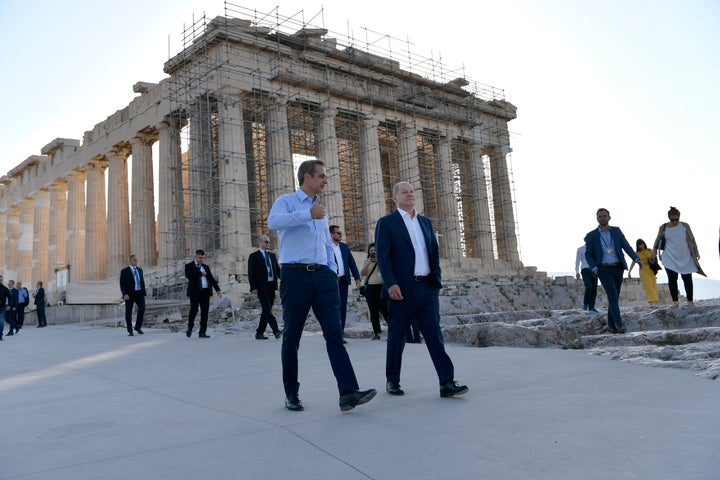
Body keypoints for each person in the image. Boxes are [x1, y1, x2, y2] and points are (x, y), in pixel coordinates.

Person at [268, 159, 376, 412]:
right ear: (307, 177)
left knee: (334, 334)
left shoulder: (321, 208)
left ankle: (348, 392)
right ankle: (292, 394)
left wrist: (331, 270)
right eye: (322, 176)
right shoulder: (287, 201)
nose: (326, 180)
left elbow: (325, 244)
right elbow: (273, 222)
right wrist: (308, 214)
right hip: (295, 275)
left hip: (323, 277)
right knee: (292, 337)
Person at [375, 181, 468, 398]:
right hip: (402, 289)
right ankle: (393, 380)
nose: (410, 195)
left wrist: (436, 280)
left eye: (412, 192)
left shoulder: (425, 222)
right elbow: (382, 256)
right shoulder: (387, 223)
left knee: (435, 336)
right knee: (397, 337)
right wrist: (391, 283)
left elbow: (432, 252)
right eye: (404, 192)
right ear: (394, 197)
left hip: (427, 287)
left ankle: (447, 382)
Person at [585, 208, 641, 334]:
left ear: (609, 217)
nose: (602, 218)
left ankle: (611, 325)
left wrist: (636, 258)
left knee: (614, 297)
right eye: (600, 216)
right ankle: (619, 324)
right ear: (597, 218)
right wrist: (594, 268)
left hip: (618, 267)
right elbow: (588, 254)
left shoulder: (616, 231)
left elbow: (626, 246)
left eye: (604, 216)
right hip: (603, 269)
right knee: (612, 296)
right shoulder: (592, 235)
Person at [652, 206, 705, 308]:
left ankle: (690, 301)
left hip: (685, 256)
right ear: (669, 218)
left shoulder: (685, 226)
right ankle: (675, 301)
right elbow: (657, 241)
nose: (675, 221)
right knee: (672, 279)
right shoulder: (663, 227)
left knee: (687, 279)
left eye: (677, 219)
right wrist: (654, 253)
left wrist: (696, 252)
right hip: (670, 257)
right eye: (672, 220)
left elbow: (692, 239)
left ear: (679, 217)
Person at [329, 225, 361, 341]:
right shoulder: (326, 247)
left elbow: (351, 263)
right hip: (332, 282)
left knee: (342, 308)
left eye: (340, 233)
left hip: (343, 280)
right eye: (338, 233)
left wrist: (357, 278)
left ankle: (340, 333)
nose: (340, 235)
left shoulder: (343, 247)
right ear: (331, 234)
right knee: (334, 307)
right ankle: (334, 333)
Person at [247, 234, 282, 340]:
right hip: (261, 287)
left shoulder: (272, 255)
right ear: (260, 243)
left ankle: (259, 332)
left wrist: (284, 280)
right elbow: (251, 273)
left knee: (266, 310)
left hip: (271, 285)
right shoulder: (254, 256)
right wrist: (253, 287)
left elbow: (277, 270)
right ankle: (276, 330)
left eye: (269, 242)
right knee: (267, 309)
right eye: (266, 242)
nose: (268, 244)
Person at [185, 249, 222, 338]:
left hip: (205, 292)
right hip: (194, 292)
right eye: (200, 258)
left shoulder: (206, 267)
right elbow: (188, 275)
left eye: (203, 258)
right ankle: (190, 327)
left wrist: (218, 290)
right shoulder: (189, 266)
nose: (201, 259)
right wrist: (200, 273)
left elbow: (211, 279)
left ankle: (202, 332)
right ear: (196, 256)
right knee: (194, 309)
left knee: (205, 312)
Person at [359, 243, 387, 340]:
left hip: (381, 287)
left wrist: (378, 261)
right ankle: (377, 332)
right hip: (370, 288)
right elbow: (362, 273)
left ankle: (392, 329)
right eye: (371, 251)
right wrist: (369, 263)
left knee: (384, 309)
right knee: (373, 311)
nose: (373, 253)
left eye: (375, 251)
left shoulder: (383, 260)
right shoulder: (366, 261)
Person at [119, 255, 147, 336]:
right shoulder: (124, 271)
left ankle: (138, 327)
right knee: (128, 312)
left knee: (142, 308)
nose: (136, 261)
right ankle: (130, 330)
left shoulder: (140, 270)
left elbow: (142, 282)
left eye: (136, 260)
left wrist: (144, 293)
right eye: (134, 260)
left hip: (139, 293)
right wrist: (125, 294)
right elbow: (122, 284)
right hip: (129, 294)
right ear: (130, 261)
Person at [628, 239, 659, 304]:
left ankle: (654, 301)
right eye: (639, 245)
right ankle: (651, 300)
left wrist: (652, 260)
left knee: (653, 284)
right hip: (643, 270)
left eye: (642, 244)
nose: (641, 246)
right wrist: (629, 272)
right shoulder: (636, 254)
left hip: (651, 269)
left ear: (644, 244)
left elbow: (654, 258)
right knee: (648, 285)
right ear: (637, 246)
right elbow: (633, 263)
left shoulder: (649, 250)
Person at [575, 236, 598, 312]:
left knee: (594, 289)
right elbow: (577, 261)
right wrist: (577, 272)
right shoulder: (580, 249)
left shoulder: (595, 249)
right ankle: (585, 304)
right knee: (589, 286)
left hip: (594, 270)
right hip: (585, 270)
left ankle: (592, 307)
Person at [0, 276, 9, 341]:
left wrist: (9, 305)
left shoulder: (5, 288)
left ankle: (0, 335)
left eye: (0, 280)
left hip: (2, 307)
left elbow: (10, 297)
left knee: (1, 321)